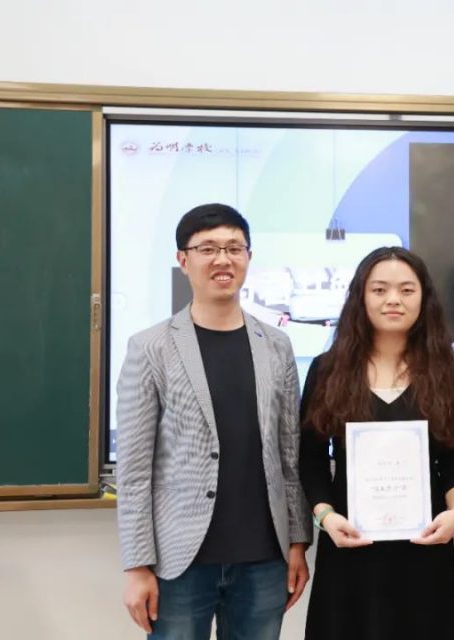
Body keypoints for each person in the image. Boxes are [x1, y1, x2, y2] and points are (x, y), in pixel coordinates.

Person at [117, 203, 311, 638]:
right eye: (207, 249)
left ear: (248, 257)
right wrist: (136, 566)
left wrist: (298, 543)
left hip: (264, 557)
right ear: (183, 260)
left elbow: (289, 457)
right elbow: (132, 471)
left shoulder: (277, 345)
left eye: (233, 248)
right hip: (179, 563)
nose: (223, 259)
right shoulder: (149, 348)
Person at [299, 246, 454, 640]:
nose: (393, 299)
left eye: (406, 290)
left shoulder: (445, 369)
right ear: (360, 297)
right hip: (351, 547)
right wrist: (326, 517)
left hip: (424, 548)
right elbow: (310, 460)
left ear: (424, 299)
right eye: (379, 289)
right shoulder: (328, 370)